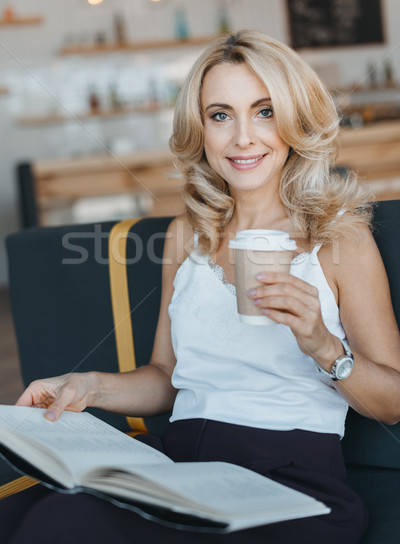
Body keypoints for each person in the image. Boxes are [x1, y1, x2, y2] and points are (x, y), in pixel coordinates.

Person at [2, 31, 400, 544]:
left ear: (294, 119)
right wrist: (89, 387)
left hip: (291, 478)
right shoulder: (186, 234)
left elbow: (391, 402)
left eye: (263, 111)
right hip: (181, 463)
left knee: (67, 525)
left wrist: (324, 345)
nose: (242, 138)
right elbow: (168, 376)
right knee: (37, 518)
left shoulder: (338, 237)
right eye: (220, 115)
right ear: (201, 129)